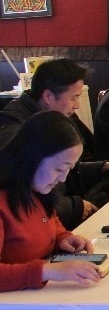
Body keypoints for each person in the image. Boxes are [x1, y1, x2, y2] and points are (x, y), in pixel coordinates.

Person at [0, 58, 109, 230]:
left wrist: (100, 169)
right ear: (48, 96)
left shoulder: (55, 118)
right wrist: (74, 207)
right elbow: (21, 199)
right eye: (74, 98)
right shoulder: (15, 132)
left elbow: (62, 171)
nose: (77, 105)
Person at [0, 111, 101, 292]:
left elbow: (50, 221)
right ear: (32, 158)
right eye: (59, 169)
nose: (63, 179)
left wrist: (63, 238)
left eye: (69, 169)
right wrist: (49, 271)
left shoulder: (36, 189)